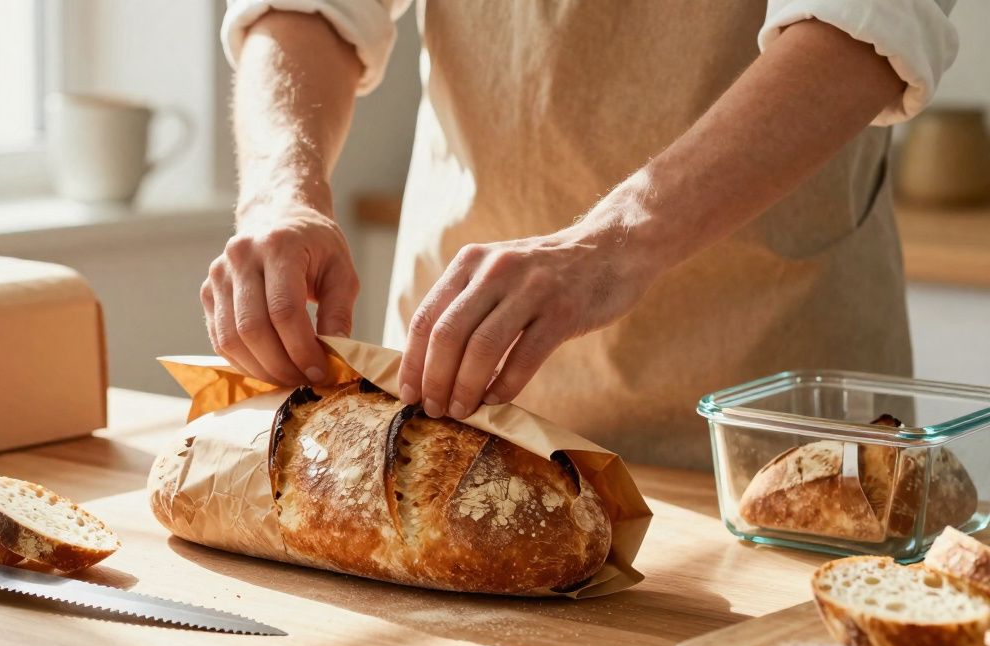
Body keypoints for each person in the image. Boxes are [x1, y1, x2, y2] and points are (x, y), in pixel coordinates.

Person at [202, 0, 959, 469]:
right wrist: (280, 194)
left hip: (779, 417)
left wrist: (613, 241)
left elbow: (868, 26)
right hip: (451, 419)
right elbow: (306, 6)